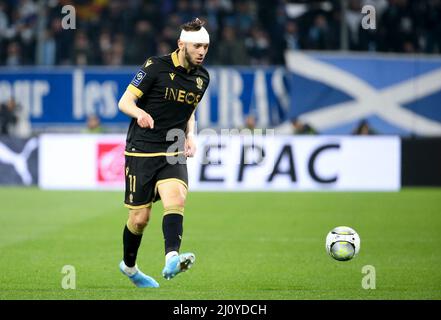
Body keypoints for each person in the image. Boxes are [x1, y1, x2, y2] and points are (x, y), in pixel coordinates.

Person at [117, 18, 210, 288]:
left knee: (176, 197)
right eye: (196, 46)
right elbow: (125, 101)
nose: (201, 51)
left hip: (172, 148)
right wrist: (140, 113)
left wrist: (190, 135)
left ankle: (172, 257)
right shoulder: (155, 66)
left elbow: (189, 110)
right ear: (181, 44)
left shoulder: (203, 78)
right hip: (142, 150)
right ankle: (130, 267)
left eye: (205, 46)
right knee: (140, 218)